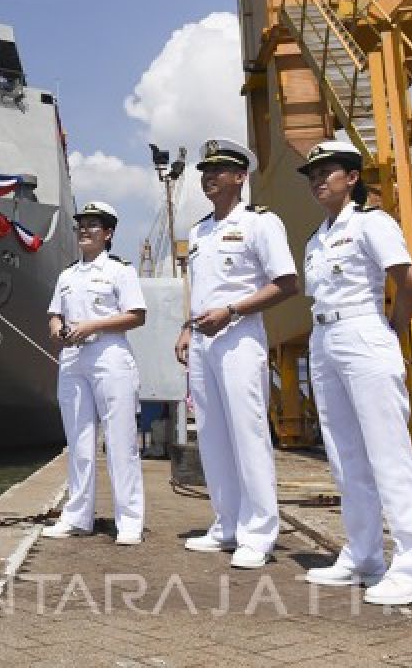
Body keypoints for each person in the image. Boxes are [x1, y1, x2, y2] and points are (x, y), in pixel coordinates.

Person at [296, 141, 412, 605]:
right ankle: (363, 555)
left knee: (388, 454)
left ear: (352, 177)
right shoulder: (315, 239)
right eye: (312, 173)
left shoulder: (372, 223)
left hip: (362, 331)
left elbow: (410, 283)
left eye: (328, 171)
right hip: (323, 339)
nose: (318, 179)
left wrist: (389, 332)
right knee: (344, 454)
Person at [174, 139, 298, 569]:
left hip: (240, 336)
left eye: (219, 169)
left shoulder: (262, 224)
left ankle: (259, 532)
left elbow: (285, 283)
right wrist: (185, 329)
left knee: (248, 435)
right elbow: (199, 288)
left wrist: (231, 311)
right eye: (205, 170)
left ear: (240, 176)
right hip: (204, 341)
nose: (209, 176)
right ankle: (226, 524)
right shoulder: (199, 231)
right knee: (211, 434)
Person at [42, 201, 147, 545]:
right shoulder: (67, 275)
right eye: (81, 225)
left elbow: (136, 316)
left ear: (109, 233)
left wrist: (93, 325)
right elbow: (55, 315)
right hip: (73, 359)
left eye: (93, 225)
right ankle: (77, 517)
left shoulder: (120, 270)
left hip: (109, 354)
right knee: (79, 442)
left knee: (120, 441)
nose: (84, 231)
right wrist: (58, 329)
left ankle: (129, 521)